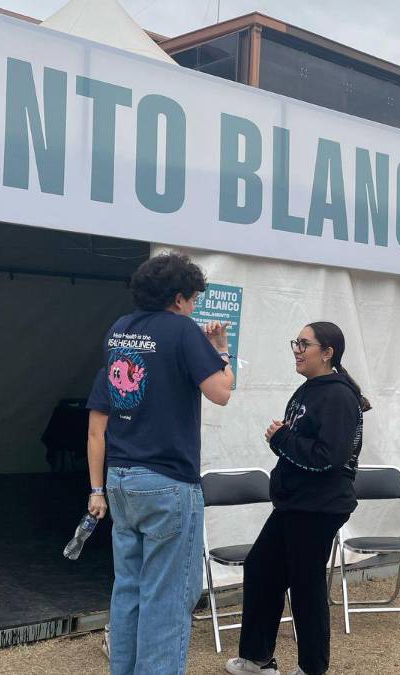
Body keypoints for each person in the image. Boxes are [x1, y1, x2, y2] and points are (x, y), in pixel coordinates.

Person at [85, 252, 235, 675]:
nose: (193, 307)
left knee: (129, 590)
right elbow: (221, 392)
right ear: (179, 297)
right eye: (193, 299)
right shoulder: (181, 330)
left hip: (121, 477)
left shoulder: (119, 329)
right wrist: (222, 351)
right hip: (168, 479)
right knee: (167, 597)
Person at [227, 322, 370, 675]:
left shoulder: (338, 396)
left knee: (305, 585)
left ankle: (312, 668)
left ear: (327, 352)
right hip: (296, 503)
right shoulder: (309, 389)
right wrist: (285, 438)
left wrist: (282, 439)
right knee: (262, 567)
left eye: (305, 344)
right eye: (296, 343)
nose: (297, 350)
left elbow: (328, 457)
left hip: (318, 506)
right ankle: (257, 659)